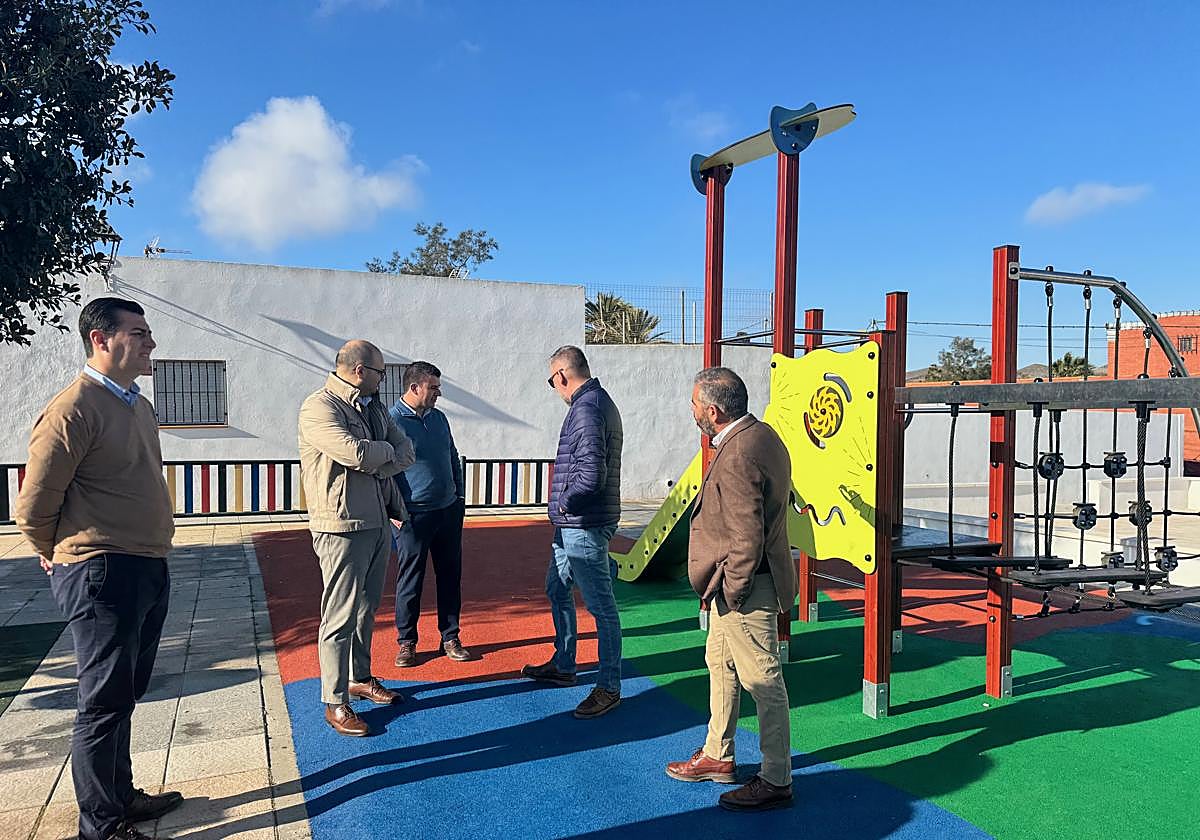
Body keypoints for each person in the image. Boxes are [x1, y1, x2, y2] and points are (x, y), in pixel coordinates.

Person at [15, 298, 182, 840]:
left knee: (125, 693)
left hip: (146, 564)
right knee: (102, 703)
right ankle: (102, 826)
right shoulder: (74, 408)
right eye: (139, 332)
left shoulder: (136, 405)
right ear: (100, 339)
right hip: (102, 570)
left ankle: (122, 796)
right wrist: (56, 551)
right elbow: (35, 503)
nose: (151, 342)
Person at [665, 367, 796, 812]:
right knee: (720, 663)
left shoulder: (739, 453)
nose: (692, 410)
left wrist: (734, 591)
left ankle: (776, 777)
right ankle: (718, 755)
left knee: (763, 679)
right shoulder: (761, 436)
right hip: (738, 583)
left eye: (695, 404)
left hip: (746, 587)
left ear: (714, 411)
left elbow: (746, 537)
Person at [298, 340, 415, 736]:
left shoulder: (373, 407)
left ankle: (359, 677)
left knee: (367, 609)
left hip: (378, 520)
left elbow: (406, 450)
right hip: (341, 525)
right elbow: (354, 454)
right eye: (382, 372)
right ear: (361, 370)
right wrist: (379, 455)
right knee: (339, 615)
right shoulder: (320, 406)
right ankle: (335, 701)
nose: (385, 380)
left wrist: (377, 457)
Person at [521, 345, 624, 719]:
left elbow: (591, 474)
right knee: (556, 586)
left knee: (601, 607)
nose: (555, 388)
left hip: (583, 523)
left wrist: (563, 504)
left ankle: (609, 686)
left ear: (561, 375)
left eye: (552, 382)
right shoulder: (596, 403)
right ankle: (564, 664)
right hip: (575, 524)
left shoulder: (586, 408)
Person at [388, 361, 471, 666]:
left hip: (447, 511)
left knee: (450, 576)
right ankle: (407, 642)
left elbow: (451, 456)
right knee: (411, 579)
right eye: (433, 387)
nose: (438, 393)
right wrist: (393, 511)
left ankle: (450, 637)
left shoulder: (439, 419)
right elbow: (384, 472)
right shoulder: (391, 421)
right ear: (414, 388)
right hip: (412, 516)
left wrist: (459, 497)